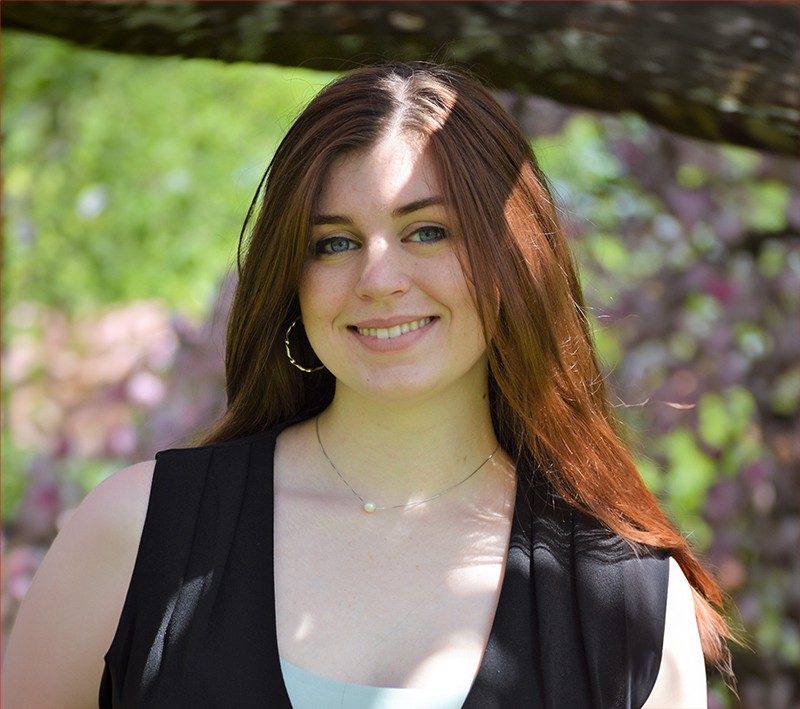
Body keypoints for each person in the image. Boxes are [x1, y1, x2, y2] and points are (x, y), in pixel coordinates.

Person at [3, 62, 734, 708]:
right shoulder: (134, 536)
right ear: (293, 280)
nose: (378, 279)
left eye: (427, 231)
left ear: (515, 261)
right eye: (335, 243)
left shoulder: (628, 603)